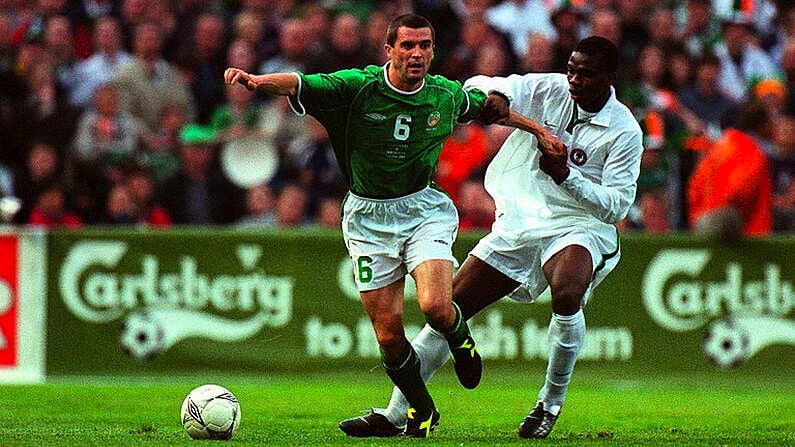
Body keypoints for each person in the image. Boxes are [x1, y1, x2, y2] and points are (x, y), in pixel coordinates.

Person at [336, 36, 643, 439]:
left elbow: (616, 207)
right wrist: (491, 94)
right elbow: (482, 85)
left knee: (567, 293)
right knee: (449, 307)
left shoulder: (624, 131)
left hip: (579, 225)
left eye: (585, 74)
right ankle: (397, 413)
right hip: (521, 221)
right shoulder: (549, 89)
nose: (573, 79)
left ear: (608, 77)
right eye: (571, 69)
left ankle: (548, 405)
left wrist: (566, 176)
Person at [224, 13, 510, 437]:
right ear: (389, 49)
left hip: (423, 209)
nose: (417, 54)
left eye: (425, 46)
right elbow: (302, 83)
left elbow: (489, 110)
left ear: (433, 50)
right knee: (389, 336)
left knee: (434, 305)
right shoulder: (357, 87)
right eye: (408, 45)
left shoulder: (445, 94)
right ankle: (422, 410)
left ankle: (459, 336)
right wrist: (258, 81)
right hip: (367, 217)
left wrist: (538, 131)